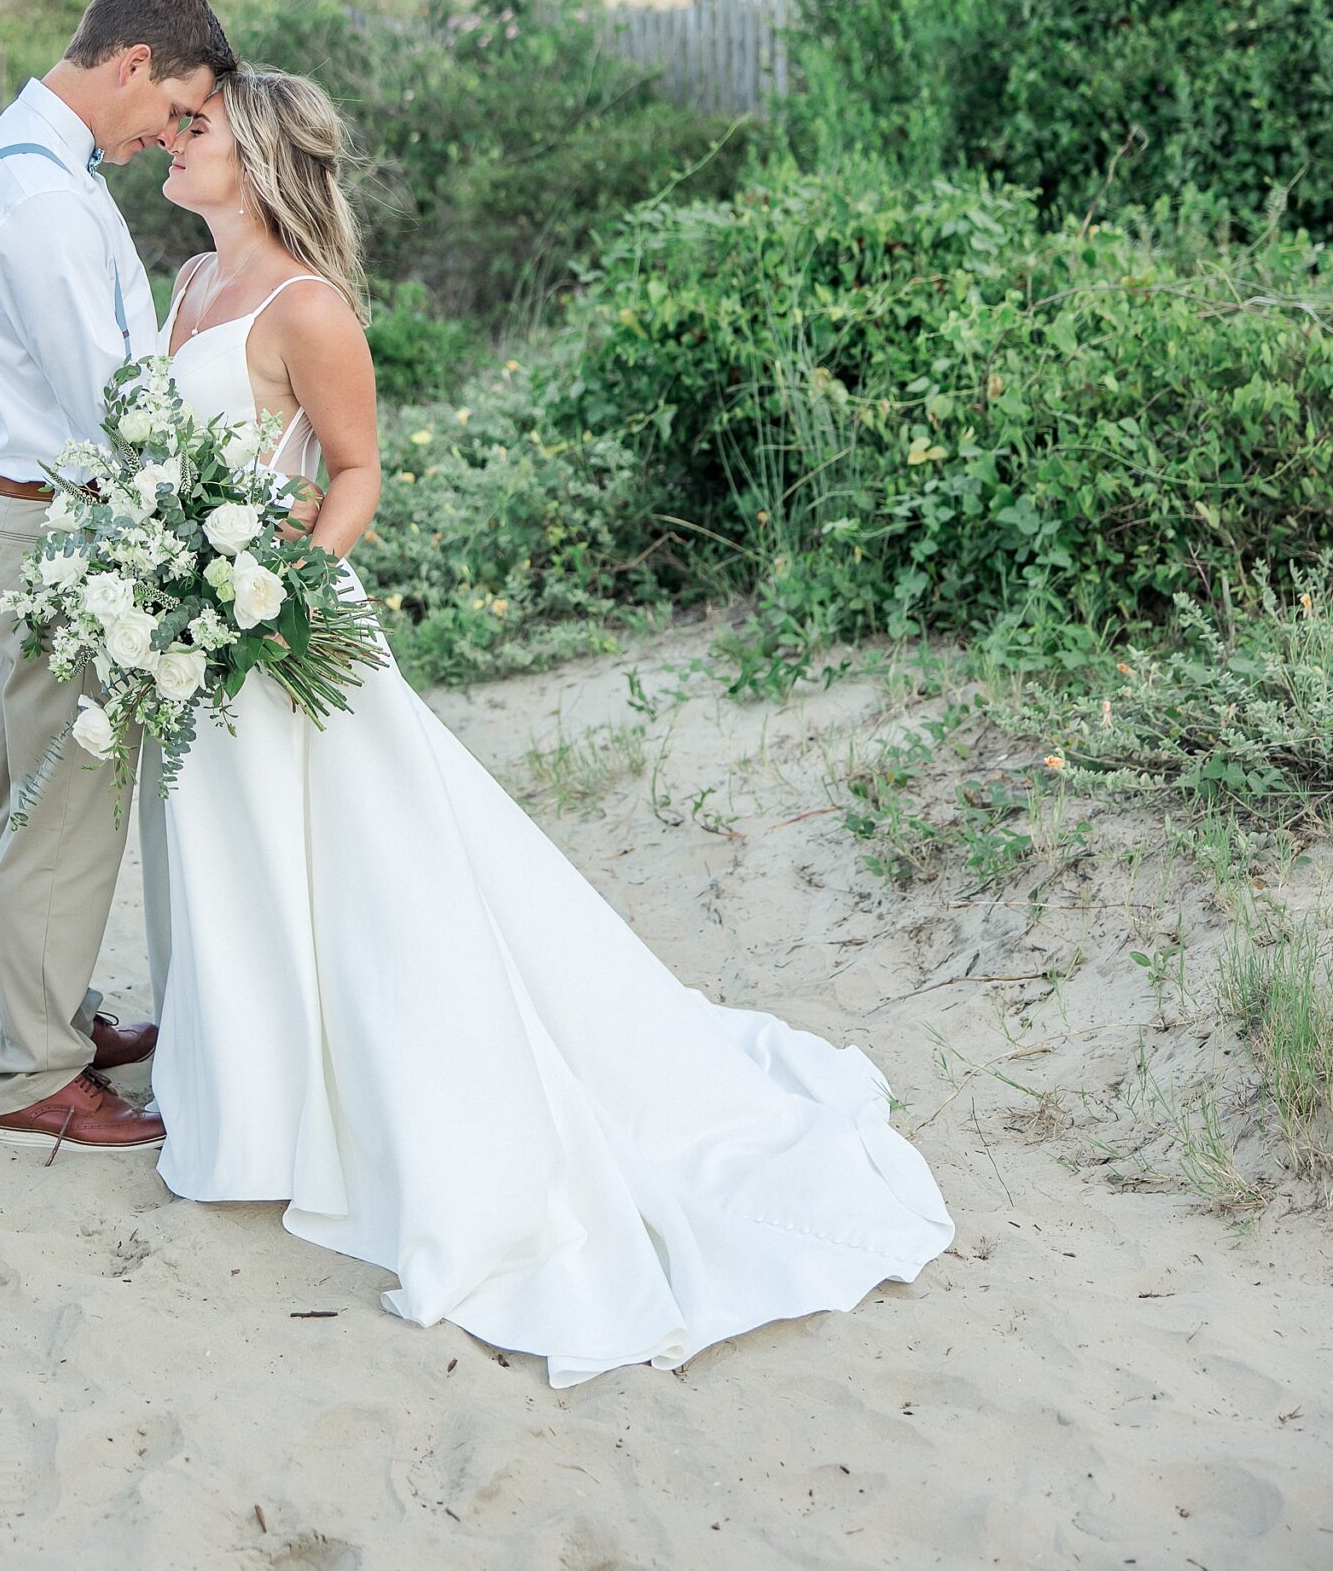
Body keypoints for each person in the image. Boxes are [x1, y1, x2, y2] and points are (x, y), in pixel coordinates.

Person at [148, 68, 954, 1387]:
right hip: (194, 625)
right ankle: (249, 1116)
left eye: (196, 130)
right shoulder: (186, 286)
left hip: (280, 626)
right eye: (172, 127)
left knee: (363, 886)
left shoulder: (308, 309)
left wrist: (274, 589)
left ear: (254, 155)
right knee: (238, 876)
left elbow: (354, 475)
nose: (172, 144)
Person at [0, 0, 235, 1155]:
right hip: (56, 526)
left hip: (39, 513)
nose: (165, 137)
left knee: (39, 794)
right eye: (173, 110)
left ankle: (53, 1015)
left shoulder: (44, 170)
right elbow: (109, 407)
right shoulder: (39, 198)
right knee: (60, 803)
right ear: (132, 63)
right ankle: (37, 1075)